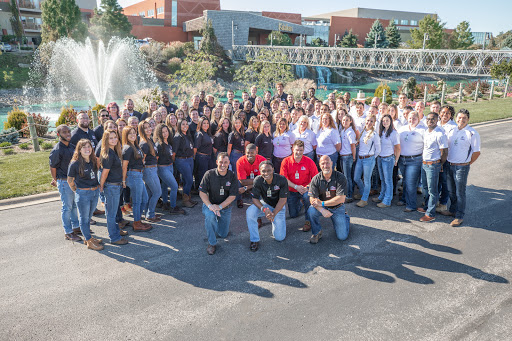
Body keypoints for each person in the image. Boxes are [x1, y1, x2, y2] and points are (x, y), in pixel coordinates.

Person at [442, 109, 481, 227]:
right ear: (456, 118)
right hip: (449, 164)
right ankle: (452, 210)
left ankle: (459, 216)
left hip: (461, 167)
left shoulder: (472, 133)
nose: (461, 120)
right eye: (459, 118)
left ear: (468, 119)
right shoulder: (452, 130)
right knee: (451, 191)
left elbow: (476, 152)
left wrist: (467, 163)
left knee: (460, 192)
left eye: (464, 118)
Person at [199, 152, 238, 255]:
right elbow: (202, 192)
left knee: (223, 234)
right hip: (210, 205)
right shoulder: (209, 174)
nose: (223, 165)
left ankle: (215, 225)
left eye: (225, 162)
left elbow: (233, 196)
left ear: (229, 163)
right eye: (220, 162)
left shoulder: (232, 175)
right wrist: (211, 206)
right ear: (216, 162)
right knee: (210, 217)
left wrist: (220, 207)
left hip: (225, 207)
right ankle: (212, 243)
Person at [67, 139, 103, 250]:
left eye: (89, 146)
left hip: (95, 191)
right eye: (84, 147)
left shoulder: (93, 160)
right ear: (79, 149)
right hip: (83, 193)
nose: (87, 149)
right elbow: (70, 180)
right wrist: (76, 190)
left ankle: (89, 237)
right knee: (84, 218)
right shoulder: (75, 163)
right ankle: (88, 240)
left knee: (88, 216)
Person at [246, 161, 288, 251]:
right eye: (263, 171)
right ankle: (254, 240)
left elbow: (283, 200)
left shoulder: (281, 179)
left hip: (278, 207)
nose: (266, 173)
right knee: (250, 212)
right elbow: (255, 199)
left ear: (273, 169)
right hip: (265, 204)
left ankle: (275, 221)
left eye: (269, 170)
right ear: (260, 171)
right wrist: (264, 209)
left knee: (279, 238)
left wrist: (273, 213)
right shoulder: (258, 180)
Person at [308, 155, 350, 244]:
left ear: (331, 163)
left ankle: (345, 217)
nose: (325, 165)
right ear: (319, 165)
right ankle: (316, 232)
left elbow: (341, 199)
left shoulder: (340, 177)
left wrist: (322, 204)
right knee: (311, 210)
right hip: (324, 207)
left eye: (327, 163)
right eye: (323, 163)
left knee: (342, 237)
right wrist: (322, 210)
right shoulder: (316, 179)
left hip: (337, 208)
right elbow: (312, 198)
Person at [49, 125, 81, 242]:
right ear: (59, 134)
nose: (68, 134)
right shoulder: (57, 150)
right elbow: (53, 167)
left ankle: (76, 227)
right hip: (63, 181)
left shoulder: (72, 147)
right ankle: (68, 232)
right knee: (67, 207)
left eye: (69, 132)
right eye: (64, 132)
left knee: (74, 205)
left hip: (73, 181)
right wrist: (56, 179)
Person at [98, 129, 130, 244]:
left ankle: (115, 230)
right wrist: (101, 187)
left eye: (115, 137)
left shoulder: (114, 151)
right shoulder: (108, 154)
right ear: (106, 140)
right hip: (111, 187)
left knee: (112, 212)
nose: (114, 139)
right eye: (111, 138)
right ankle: (114, 237)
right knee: (111, 214)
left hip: (116, 186)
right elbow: (104, 173)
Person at [280, 140, 318, 232]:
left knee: (307, 197)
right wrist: (296, 187)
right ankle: (300, 203)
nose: (299, 152)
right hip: (292, 190)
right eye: (297, 150)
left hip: (305, 189)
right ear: (292, 149)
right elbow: (283, 179)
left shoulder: (309, 161)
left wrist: (307, 187)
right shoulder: (286, 161)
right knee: (293, 215)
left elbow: (316, 178)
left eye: (301, 150)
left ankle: (308, 221)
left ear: (304, 150)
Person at [418, 112, 448, 222]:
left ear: (437, 120)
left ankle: (430, 213)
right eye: (428, 119)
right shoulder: (427, 131)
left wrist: (440, 164)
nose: (430, 121)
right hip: (424, 163)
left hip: (433, 165)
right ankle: (426, 207)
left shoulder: (439, 134)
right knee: (425, 188)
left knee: (432, 190)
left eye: (433, 119)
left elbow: (444, 151)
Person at [122, 126, 152, 231]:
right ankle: (137, 223)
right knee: (137, 201)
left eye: (134, 133)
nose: (133, 135)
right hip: (133, 175)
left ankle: (137, 219)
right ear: (125, 135)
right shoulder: (127, 148)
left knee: (144, 199)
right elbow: (124, 166)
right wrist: (123, 180)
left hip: (138, 175)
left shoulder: (135, 145)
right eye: (129, 133)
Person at [397, 111, 426, 212]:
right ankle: (404, 199)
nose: (412, 120)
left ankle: (411, 205)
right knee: (405, 181)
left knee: (410, 183)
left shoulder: (423, 130)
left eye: (414, 118)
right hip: (402, 159)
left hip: (415, 160)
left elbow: (426, 146)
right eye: (410, 118)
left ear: (418, 119)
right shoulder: (402, 128)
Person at [154, 124, 184, 215]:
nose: (165, 133)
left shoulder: (168, 143)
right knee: (174, 186)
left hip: (170, 166)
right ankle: (173, 207)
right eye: (162, 132)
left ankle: (165, 204)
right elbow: (156, 159)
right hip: (162, 168)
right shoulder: (159, 145)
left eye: (166, 131)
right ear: (159, 133)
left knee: (164, 186)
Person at [354, 115, 381, 208]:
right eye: (368, 120)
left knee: (367, 180)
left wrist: (372, 157)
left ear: (374, 123)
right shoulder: (363, 132)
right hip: (360, 158)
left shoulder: (374, 134)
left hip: (368, 159)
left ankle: (364, 199)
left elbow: (378, 149)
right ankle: (362, 193)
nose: (369, 123)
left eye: (371, 121)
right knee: (356, 178)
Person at [375, 114, 400, 208]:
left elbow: (398, 148)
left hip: (388, 159)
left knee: (388, 180)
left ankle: (387, 200)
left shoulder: (394, 133)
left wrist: (396, 160)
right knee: (382, 179)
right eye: (383, 121)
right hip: (380, 158)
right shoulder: (381, 132)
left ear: (391, 122)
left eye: (387, 121)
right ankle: (382, 196)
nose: (385, 122)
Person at [138, 121, 162, 223]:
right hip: (149, 170)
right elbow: (141, 160)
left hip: (152, 169)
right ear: (141, 130)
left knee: (150, 193)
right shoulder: (144, 144)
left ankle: (148, 213)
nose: (148, 129)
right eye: (145, 128)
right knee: (157, 192)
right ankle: (150, 214)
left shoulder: (149, 140)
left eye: (149, 127)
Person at [237, 144, 267, 217]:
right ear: (245, 152)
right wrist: (257, 181)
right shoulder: (240, 161)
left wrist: (246, 187)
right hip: (248, 177)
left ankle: (260, 204)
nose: (250, 155)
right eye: (248, 153)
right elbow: (242, 181)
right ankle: (239, 199)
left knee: (262, 184)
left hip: (257, 176)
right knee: (238, 182)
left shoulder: (262, 160)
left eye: (252, 153)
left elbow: (262, 179)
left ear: (256, 152)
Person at [437, 105, 457, 213]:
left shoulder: (453, 127)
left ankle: (443, 203)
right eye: (443, 112)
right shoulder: (437, 123)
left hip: (446, 158)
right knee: (437, 181)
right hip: (436, 157)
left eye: (447, 113)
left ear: (451, 115)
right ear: (439, 113)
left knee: (445, 182)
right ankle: (436, 201)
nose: (445, 115)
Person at [173, 118, 197, 208]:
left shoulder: (187, 135)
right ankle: (185, 200)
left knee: (188, 180)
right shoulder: (177, 137)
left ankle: (188, 198)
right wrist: (175, 162)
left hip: (190, 159)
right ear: (179, 125)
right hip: (182, 160)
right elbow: (174, 153)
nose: (185, 126)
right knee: (189, 180)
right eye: (183, 124)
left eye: (186, 124)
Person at [338, 114, 357, 203]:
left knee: (347, 177)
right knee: (345, 176)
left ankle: (349, 195)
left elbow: (353, 146)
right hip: (342, 156)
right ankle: (347, 193)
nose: (344, 122)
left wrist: (353, 157)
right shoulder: (342, 131)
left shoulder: (350, 132)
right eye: (343, 120)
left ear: (350, 121)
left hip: (347, 156)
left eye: (347, 120)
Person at [227, 117, 246, 207]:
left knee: (241, 176)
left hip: (241, 155)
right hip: (235, 155)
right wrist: (228, 158)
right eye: (236, 123)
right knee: (238, 177)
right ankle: (239, 199)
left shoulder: (241, 133)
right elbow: (229, 147)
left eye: (239, 122)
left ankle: (238, 196)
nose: (238, 124)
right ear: (233, 124)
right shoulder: (232, 134)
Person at [194, 116, 214, 191]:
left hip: (208, 157)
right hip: (202, 157)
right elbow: (195, 148)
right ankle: (201, 191)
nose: (206, 125)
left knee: (207, 175)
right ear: (200, 124)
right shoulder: (199, 134)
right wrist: (194, 158)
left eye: (207, 123)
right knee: (202, 176)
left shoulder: (207, 133)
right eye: (204, 123)